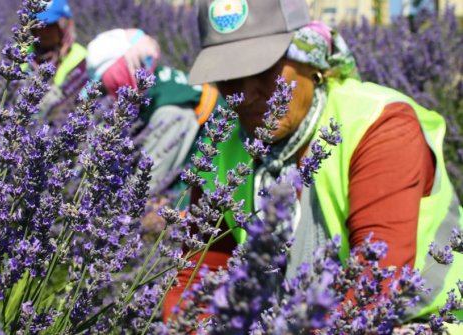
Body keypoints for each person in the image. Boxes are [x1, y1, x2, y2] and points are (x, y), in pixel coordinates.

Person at [163, 0, 463, 329]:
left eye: (262, 70)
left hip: (421, 320)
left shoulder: (379, 124)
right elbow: (200, 274)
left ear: (310, 57)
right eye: (228, 77)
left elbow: (376, 282)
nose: (246, 94)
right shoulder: (219, 148)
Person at [86, 28, 224, 193]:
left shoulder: (168, 111)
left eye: (105, 87)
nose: (106, 97)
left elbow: (146, 188)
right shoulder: (153, 82)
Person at [30, 0, 88, 118]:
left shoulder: (78, 57)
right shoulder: (21, 51)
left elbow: (69, 105)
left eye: (50, 25)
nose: (43, 31)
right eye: (38, 25)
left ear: (64, 26)